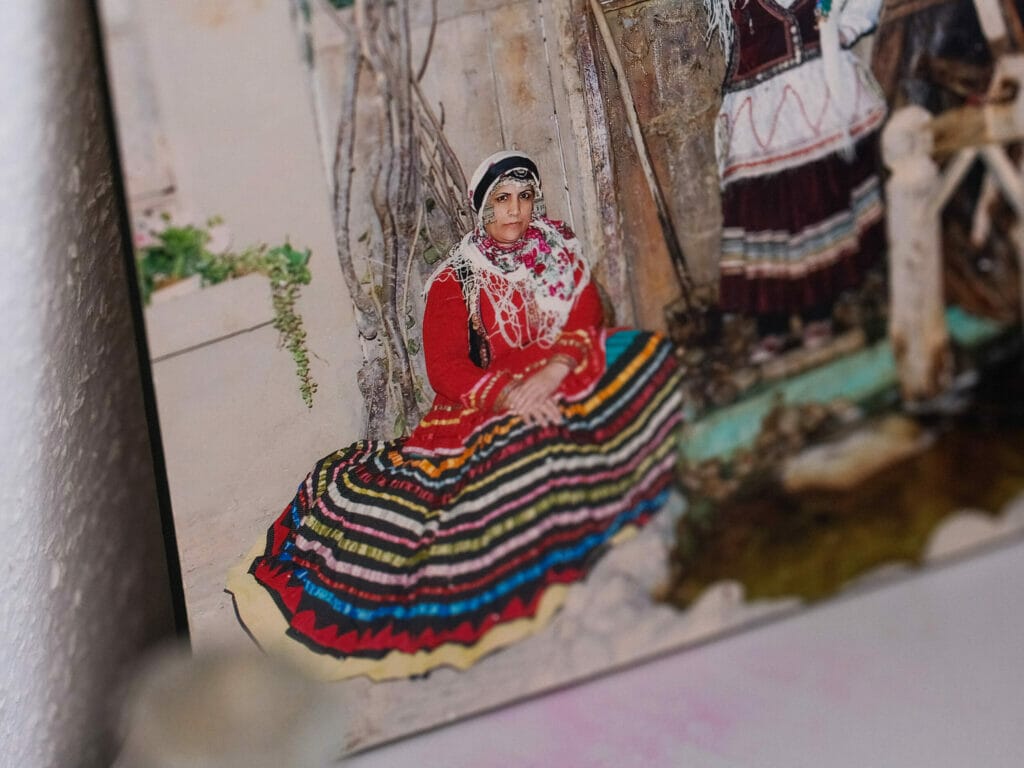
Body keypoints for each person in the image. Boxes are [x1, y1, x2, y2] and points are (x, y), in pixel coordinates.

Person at [227, 151, 684, 680]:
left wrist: (555, 371)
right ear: (481, 209)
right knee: (529, 451)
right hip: (490, 396)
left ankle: (648, 501)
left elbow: (586, 312)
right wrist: (512, 394)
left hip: (560, 369)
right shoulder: (457, 277)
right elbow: (445, 369)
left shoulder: (557, 249)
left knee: (647, 357)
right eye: (501, 200)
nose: (515, 211)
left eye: (524, 197)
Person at [713, 0, 887, 362]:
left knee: (818, 205)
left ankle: (818, 313)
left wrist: (848, 27)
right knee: (764, 217)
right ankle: (771, 324)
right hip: (760, 118)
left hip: (816, 101)